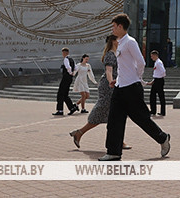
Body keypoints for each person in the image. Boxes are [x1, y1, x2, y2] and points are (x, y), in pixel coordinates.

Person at [98, 13, 170, 161]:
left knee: (141, 118)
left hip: (131, 88)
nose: (112, 29)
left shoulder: (130, 42)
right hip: (120, 87)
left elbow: (141, 62)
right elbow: (126, 66)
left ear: (120, 26)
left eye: (113, 26)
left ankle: (163, 138)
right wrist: (118, 79)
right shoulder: (120, 42)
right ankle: (113, 152)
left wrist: (137, 77)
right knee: (114, 120)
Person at [69, 35, 130, 150]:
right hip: (109, 87)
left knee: (113, 114)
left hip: (114, 85)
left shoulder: (116, 54)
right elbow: (109, 70)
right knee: (106, 112)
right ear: (113, 41)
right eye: (118, 40)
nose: (120, 41)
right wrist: (111, 82)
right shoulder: (110, 55)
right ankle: (80, 133)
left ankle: (80, 133)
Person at [54, 47, 78, 116]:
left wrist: (70, 73)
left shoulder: (66, 59)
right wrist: (73, 73)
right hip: (70, 78)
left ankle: (60, 110)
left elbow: (68, 67)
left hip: (66, 77)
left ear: (66, 53)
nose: (63, 54)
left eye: (63, 52)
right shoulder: (72, 59)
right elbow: (76, 67)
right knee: (65, 94)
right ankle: (72, 107)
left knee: (60, 93)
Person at [147, 50, 167, 116]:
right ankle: (153, 110)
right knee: (153, 95)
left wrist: (159, 78)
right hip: (157, 80)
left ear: (156, 55)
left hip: (159, 80)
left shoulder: (158, 62)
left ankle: (161, 111)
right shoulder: (156, 62)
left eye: (152, 56)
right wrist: (154, 80)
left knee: (160, 96)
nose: (151, 57)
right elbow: (157, 73)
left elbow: (163, 71)